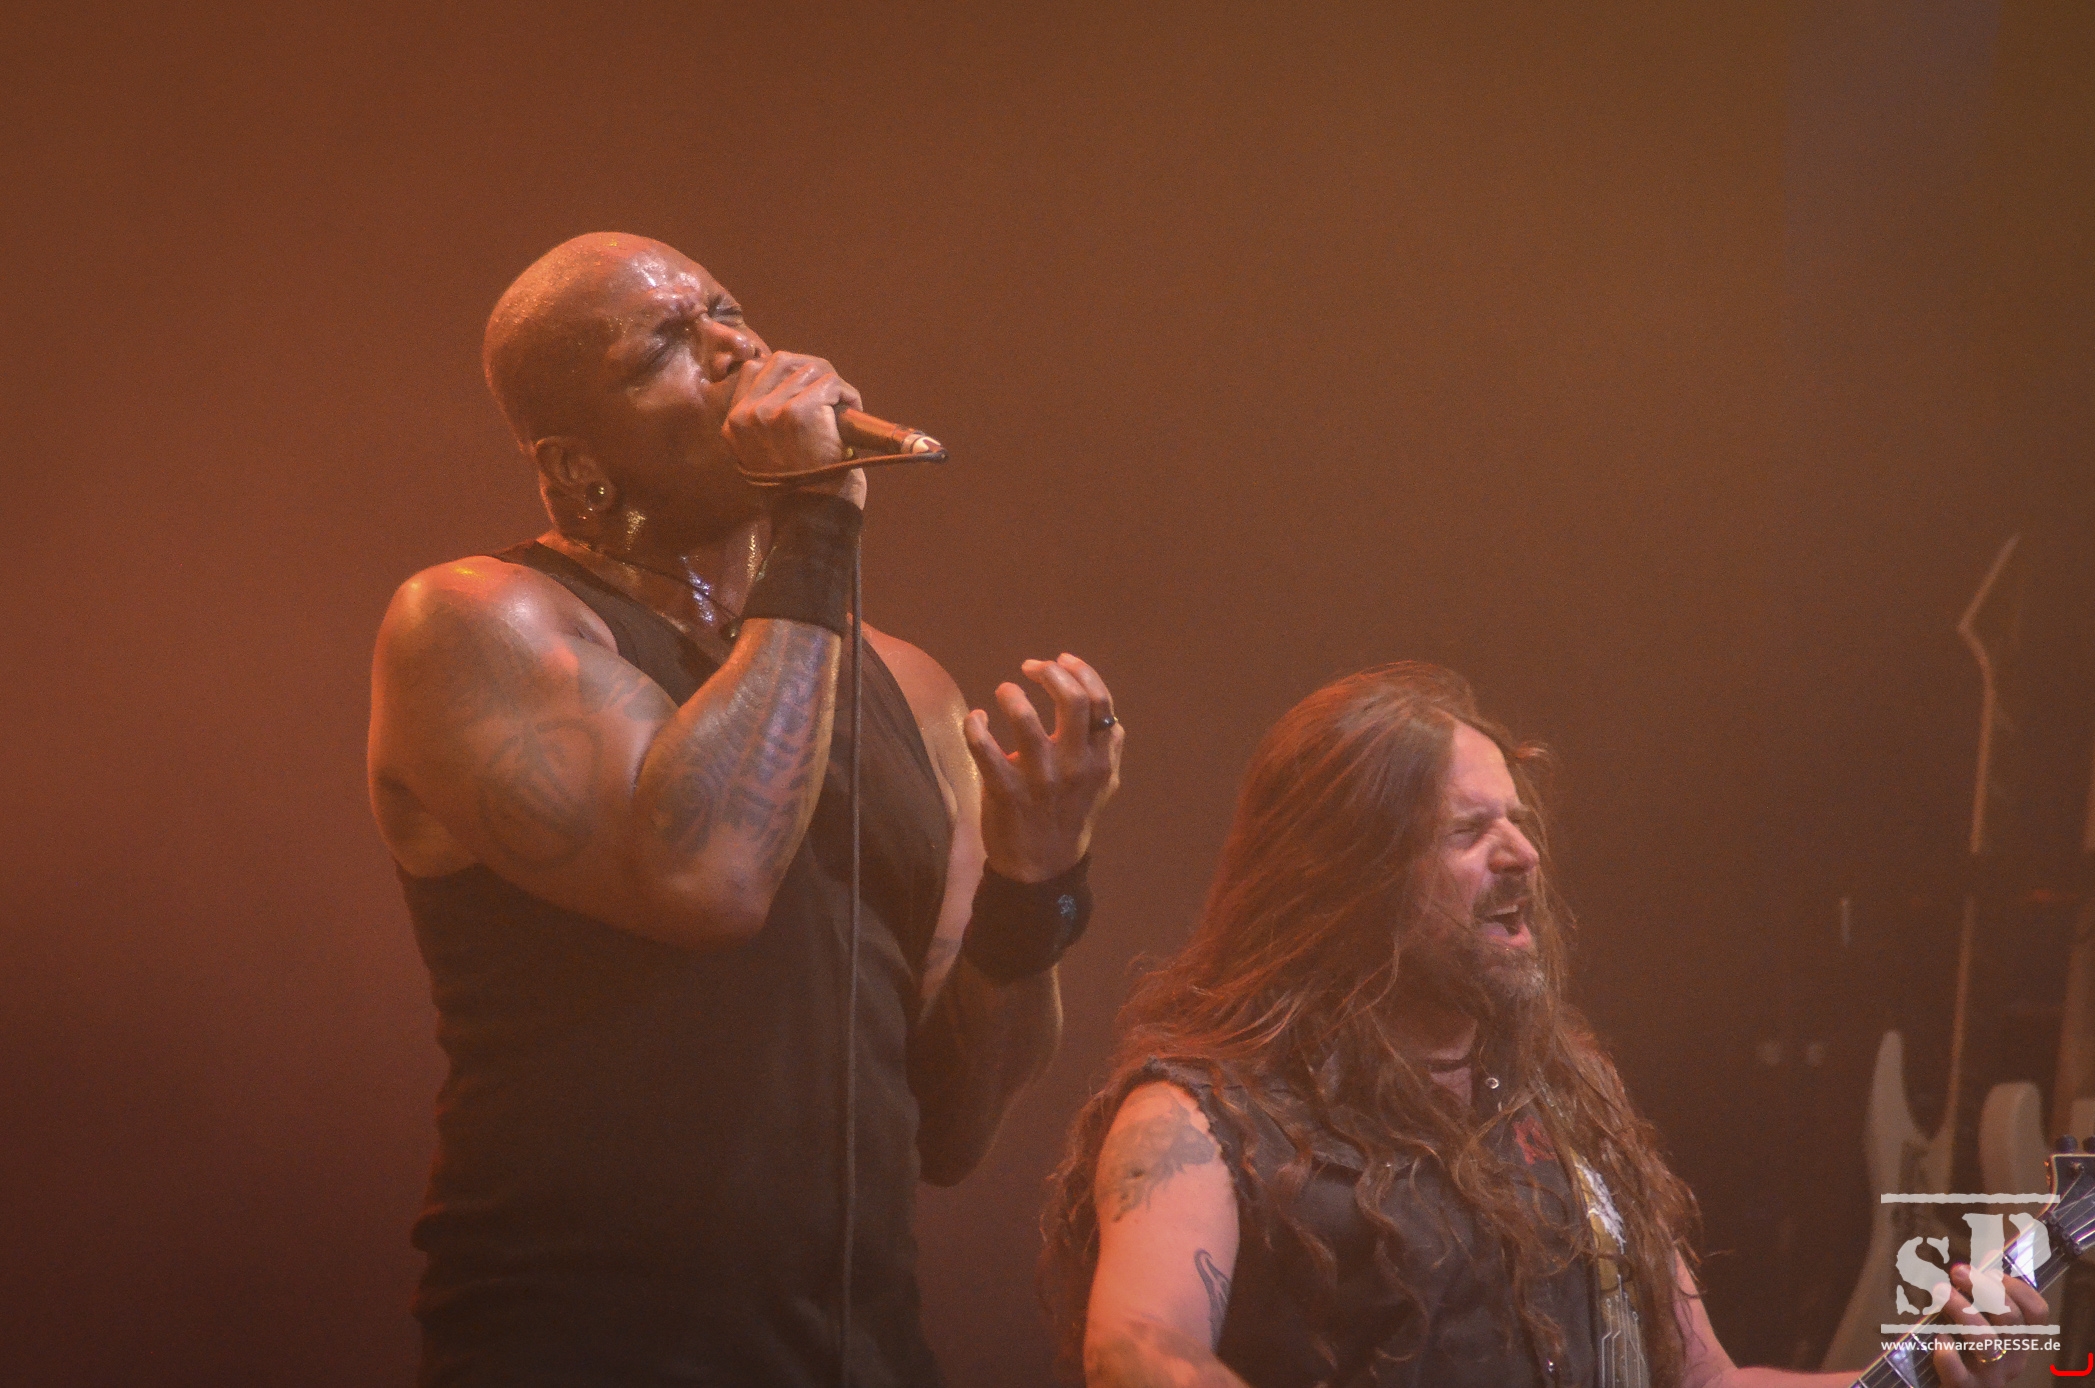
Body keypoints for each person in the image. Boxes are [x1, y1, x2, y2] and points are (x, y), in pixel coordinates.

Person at [367, 232, 1124, 1386]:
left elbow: (952, 1123)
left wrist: (1037, 882)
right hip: (580, 1347)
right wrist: (815, 521)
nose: (734, 348)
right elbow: (709, 879)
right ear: (575, 465)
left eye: (727, 311)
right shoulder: (477, 624)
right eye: (663, 346)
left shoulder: (912, 690)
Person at [1043, 663, 2041, 1388]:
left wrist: (1912, 1373)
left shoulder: (1563, 1102)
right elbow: (1137, 1346)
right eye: (1467, 831)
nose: (1521, 852)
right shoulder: (1203, 1113)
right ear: (1348, 878)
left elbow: (1703, 1379)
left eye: (1517, 821)